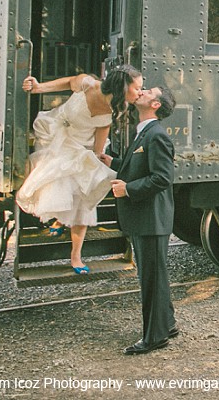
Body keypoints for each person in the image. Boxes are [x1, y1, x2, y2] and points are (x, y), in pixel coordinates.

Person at [16, 66, 143, 274]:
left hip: (79, 148)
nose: (140, 91)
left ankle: (76, 255)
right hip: (55, 136)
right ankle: (59, 220)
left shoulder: (114, 110)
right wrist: (38, 88)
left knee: (85, 196)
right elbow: (67, 82)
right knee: (57, 182)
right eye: (137, 87)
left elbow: (98, 147)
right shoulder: (88, 84)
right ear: (123, 87)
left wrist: (95, 163)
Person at [105, 85, 178, 355]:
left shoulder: (156, 135)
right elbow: (138, 166)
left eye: (148, 91)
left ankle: (154, 337)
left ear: (155, 105)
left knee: (151, 278)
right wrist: (112, 162)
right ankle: (167, 325)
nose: (142, 91)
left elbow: (162, 178)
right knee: (155, 275)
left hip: (151, 218)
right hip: (146, 218)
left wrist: (128, 189)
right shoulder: (144, 132)